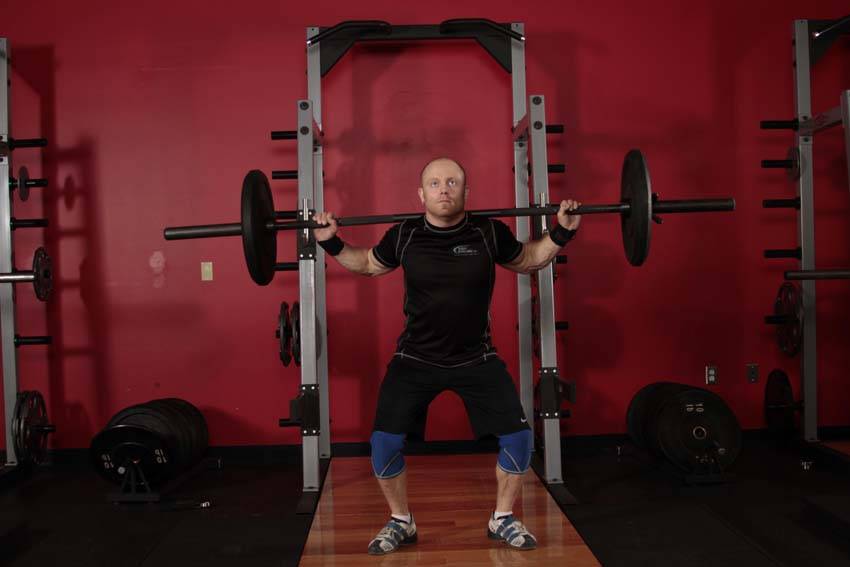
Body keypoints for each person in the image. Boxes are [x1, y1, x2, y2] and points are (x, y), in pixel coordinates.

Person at [312, 157, 581, 555]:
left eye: (452, 182)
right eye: (435, 183)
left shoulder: (488, 232)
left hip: (476, 357)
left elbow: (528, 260)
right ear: (421, 194)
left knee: (520, 438)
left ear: (465, 192)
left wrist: (561, 232)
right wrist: (331, 242)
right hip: (415, 358)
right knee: (384, 442)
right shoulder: (404, 235)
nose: (444, 189)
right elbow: (368, 264)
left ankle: (502, 518)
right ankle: (401, 521)